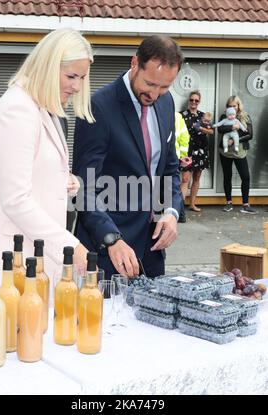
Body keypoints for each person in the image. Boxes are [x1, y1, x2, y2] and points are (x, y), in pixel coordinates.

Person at [0, 28, 94, 286]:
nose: (77, 86)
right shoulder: (18, 110)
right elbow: (15, 199)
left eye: (82, 77)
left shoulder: (42, 108)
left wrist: (63, 179)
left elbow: (30, 167)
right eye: (71, 76)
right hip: (10, 259)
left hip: (31, 256)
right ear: (48, 67)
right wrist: (71, 246)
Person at [73, 35, 184, 279]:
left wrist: (171, 212)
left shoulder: (167, 103)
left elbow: (170, 168)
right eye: (150, 84)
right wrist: (111, 239)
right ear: (134, 63)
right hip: (110, 251)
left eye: (165, 87)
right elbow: (84, 188)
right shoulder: (99, 106)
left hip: (153, 251)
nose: (155, 94)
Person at [218, 95, 257, 214]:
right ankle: (229, 203)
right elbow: (220, 129)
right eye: (229, 106)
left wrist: (235, 140)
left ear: (238, 105)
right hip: (226, 153)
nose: (232, 108)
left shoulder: (245, 116)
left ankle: (245, 204)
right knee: (227, 176)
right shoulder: (224, 116)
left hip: (240, 152)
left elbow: (250, 135)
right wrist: (231, 126)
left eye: (234, 105)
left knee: (245, 177)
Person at [181, 90, 213, 212]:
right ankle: (180, 206)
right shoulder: (181, 115)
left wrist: (202, 129)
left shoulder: (203, 115)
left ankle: (192, 204)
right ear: (189, 100)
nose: (194, 102)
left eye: (196, 100)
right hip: (187, 150)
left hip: (201, 150)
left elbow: (211, 131)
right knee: (185, 178)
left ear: (199, 102)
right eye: (192, 100)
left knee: (197, 177)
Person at [175, 112, 190, 223]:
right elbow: (185, 136)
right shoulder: (177, 116)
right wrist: (183, 156)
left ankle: (156, 219)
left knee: (158, 185)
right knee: (173, 186)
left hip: (161, 157)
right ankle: (181, 214)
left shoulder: (156, 113)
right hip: (174, 157)